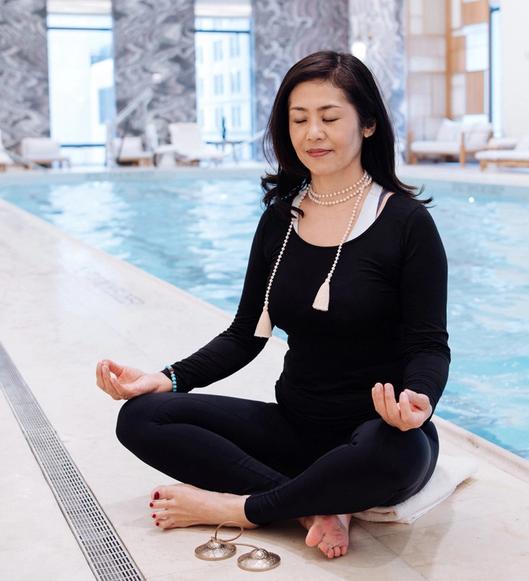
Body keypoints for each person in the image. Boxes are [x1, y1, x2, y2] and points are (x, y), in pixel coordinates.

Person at [95, 50, 450, 560]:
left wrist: (418, 398)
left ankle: (239, 509)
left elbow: (428, 343)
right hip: (295, 426)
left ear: (368, 123)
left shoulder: (407, 223)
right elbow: (245, 334)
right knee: (141, 417)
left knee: (395, 456)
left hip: (376, 432)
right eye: (299, 119)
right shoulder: (281, 220)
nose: (313, 134)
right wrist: (167, 378)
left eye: (330, 118)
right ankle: (311, 505)